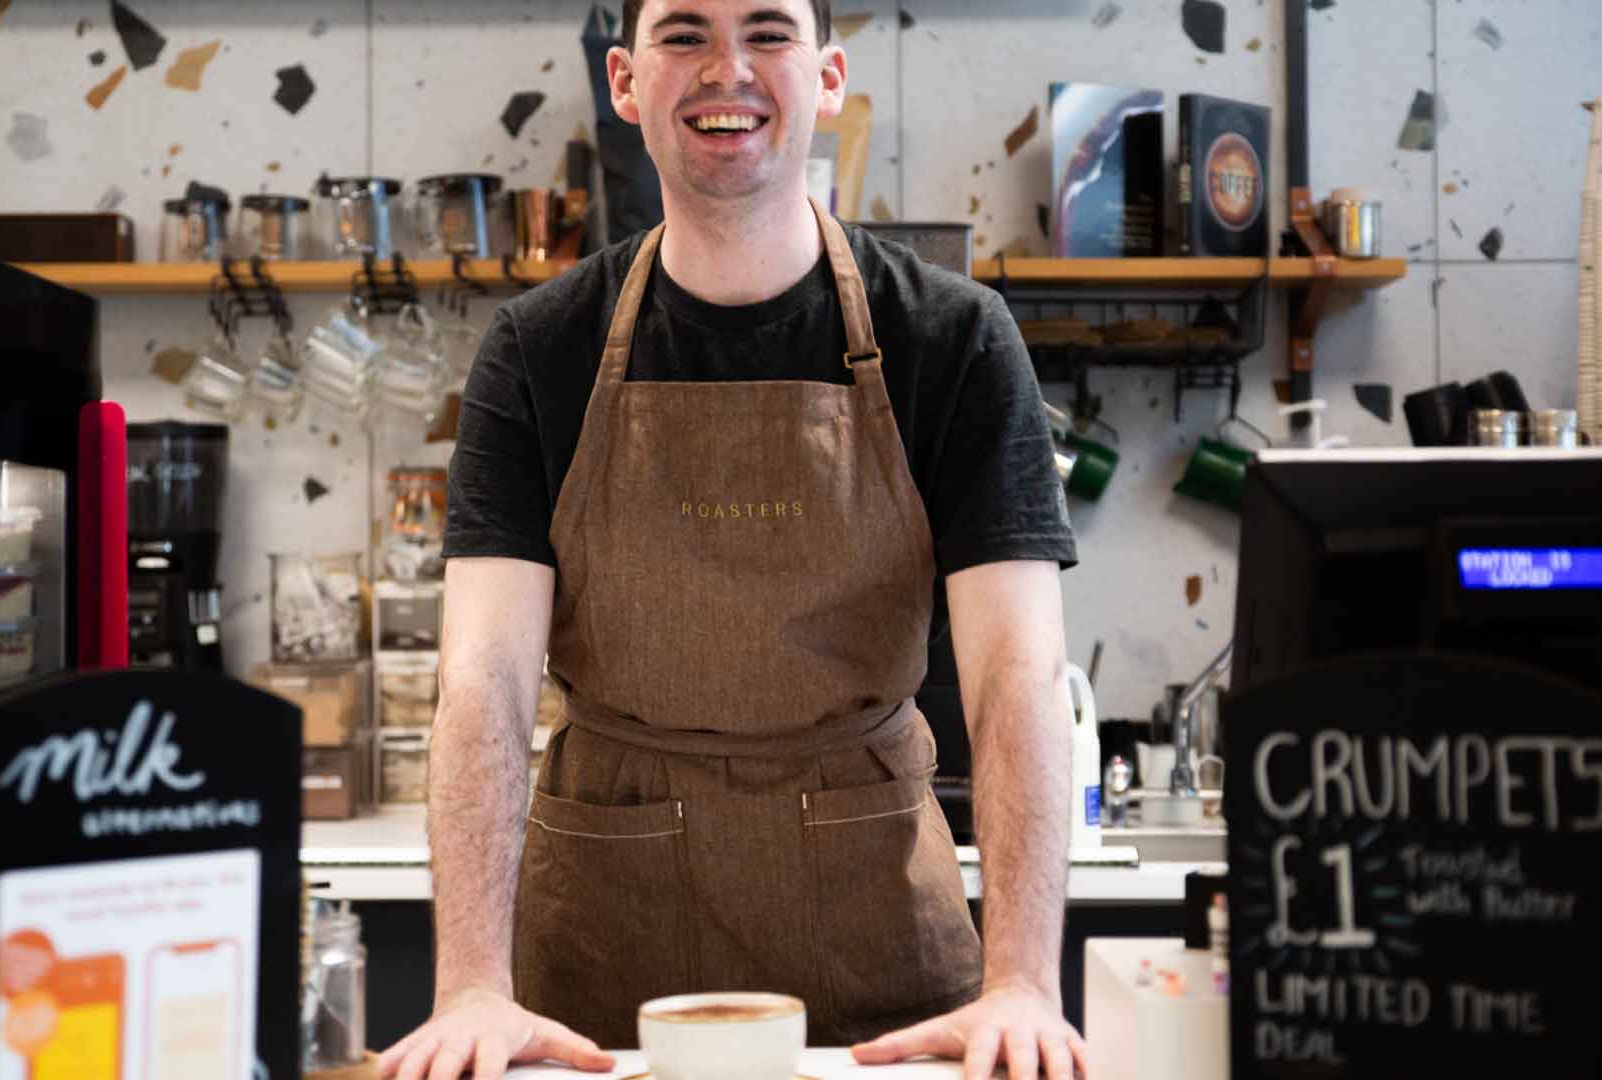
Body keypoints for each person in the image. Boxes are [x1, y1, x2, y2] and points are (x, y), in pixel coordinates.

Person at [379, 2, 1081, 1077]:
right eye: (684, 35)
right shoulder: (537, 349)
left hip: (883, 959)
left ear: (829, 75)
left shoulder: (952, 338)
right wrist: (473, 984)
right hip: (599, 970)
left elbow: (1017, 672)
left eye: (766, 33)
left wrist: (1025, 981)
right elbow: (484, 678)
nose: (728, 71)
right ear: (625, 81)